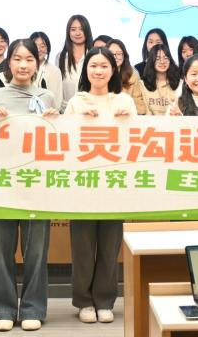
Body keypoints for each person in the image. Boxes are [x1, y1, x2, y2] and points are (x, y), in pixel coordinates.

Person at [0, 39, 58, 332]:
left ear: (37, 63)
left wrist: (55, 123)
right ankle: (2, 308)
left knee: (36, 251)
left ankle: (32, 308)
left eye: (29, 59)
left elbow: (58, 144)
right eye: (17, 58)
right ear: (9, 63)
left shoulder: (48, 97)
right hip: (2, 183)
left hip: (37, 184)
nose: (23, 65)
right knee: (0, 250)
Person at [65, 47, 136, 324]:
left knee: (110, 246)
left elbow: (139, 139)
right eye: (93, 65)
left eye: (104, 66)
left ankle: (105, 300)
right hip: (83, 183)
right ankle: (84, 301)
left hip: (114, 183)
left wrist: (127, 120)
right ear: (86, 70)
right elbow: (63, 142)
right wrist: (76, 119)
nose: (98, 71)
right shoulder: (76, 101)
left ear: (113, 70)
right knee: (82, 247)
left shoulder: (125, 100)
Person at [57, 15, 93, 110]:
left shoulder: (94, 55)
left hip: (89, 109)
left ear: (87, 31)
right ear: (68, 32)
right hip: (65, 110)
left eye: (81, 29)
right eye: (73, 29)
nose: (77, 33)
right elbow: (58, 85)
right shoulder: (60, 57)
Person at [138, 44, 181, 115]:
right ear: (151, 61)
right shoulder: (142, 84)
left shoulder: (180, 83)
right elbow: (145, 112)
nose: (162, 62)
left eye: (166, 58)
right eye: (157, 59)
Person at [108, 39, 146, 114]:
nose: (115, 57)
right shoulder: (100, 72)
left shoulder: (132, 74)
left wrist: (129, 110)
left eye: (119, 54)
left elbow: (139, 103)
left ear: (124, 55)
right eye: (111, 54)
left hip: (127, 115)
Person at [30, 31, 64, 111]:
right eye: (35, 46)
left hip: (48, 114)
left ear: (47, 49)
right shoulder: (24, 68)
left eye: (43, 46)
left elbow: (56, 102)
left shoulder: (54, 71)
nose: (39, 49)